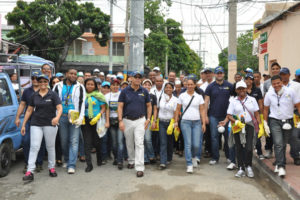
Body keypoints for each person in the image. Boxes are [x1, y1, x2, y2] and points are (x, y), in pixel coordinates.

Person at [21, 74, 62, 182]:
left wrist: (57, 117)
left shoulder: (53, 94)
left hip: (50, 124)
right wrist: (24, 124)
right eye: (40, 81)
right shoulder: (34, 96)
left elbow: (59, 107)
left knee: (50, 146)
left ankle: (51, 168)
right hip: (36, 123)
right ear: (38, 83)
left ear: (47, 82)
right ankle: (30, 171)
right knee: (34, 146)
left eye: (45, 81)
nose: (43, 83)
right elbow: (29, 110)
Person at [221, 81, 261, 178]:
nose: (241, 90)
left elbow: (256, 114)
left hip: (249, 125)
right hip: (237, 126)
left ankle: (248, 166)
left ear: (246, 89)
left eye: (243, 88)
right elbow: (229, 115)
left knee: (248, 147)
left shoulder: (252, 99)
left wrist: (260, 125)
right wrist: (236, 121)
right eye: (239, 89)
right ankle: (241, 168)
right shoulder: (233, 101)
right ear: (236, 90)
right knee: (238, 147)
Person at [263, 75, 300, 177]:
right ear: (272, 84)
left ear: (282, 82)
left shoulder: (290, 92)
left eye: (278, 83)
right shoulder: (269, 94)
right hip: (275, 121)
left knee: (283, 144)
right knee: (278, 143)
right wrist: (265, 123)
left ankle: (279, 162)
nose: (276, 85)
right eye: (274, 84)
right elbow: (265, 109)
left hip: (288, 121)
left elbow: (298, 105)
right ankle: (281, 166)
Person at [118, 71, 152, 178]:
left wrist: (148, 119)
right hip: (127, 120)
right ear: (131, 78)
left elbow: (149, 106)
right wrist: (120, 120)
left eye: (139, 77)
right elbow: (120, 106)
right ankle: (131, 160)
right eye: (135, 77)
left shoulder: (144, 91)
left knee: (139, 143)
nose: (137, 79)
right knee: (129, 142)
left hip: (140, 120)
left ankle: (140, 167)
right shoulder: (124, 91)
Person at [53, 68, 86, 174]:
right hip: (62, 116)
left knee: (74, 141)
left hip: (75, 116)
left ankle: (72, 164)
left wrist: (81, 117)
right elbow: (53, 101)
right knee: (64, 140)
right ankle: (67, 160)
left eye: (75, 74)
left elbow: (82, 103)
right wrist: (56, 116)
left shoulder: (80, 87)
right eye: (71, 73)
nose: (73, 75)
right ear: (66, 74)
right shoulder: (57, 86)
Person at [15, 71, 46, 173]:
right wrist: (17, 117)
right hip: (29, 120)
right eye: (33, 78)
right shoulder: (27, 91)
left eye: (36, 78)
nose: (34, 80)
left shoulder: (46, 91)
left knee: (40, 143)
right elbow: (22, 105)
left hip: (41, 120)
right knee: (26, 141)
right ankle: (28, 163)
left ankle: (39, 163)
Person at [174, 77, 206, 173]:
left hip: (197, 122)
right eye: (188, 84)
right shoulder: (182, 96)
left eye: (191, 84)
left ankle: (193, 157)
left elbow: (202, 110)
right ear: (185, 85)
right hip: (185, 122)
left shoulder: (199, 96)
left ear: (195, 85)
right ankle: (189, 164)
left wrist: (203, 123)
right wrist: (176, 121)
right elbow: (178, 109)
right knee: (188, 144)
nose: (190, 86)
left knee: (196, 144)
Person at [205, 66, 234, 165]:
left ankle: (229, 157)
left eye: (221, 73)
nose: (219, 75)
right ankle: (215, 158)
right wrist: (205, 116)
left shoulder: (229, 86)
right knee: (214, 137)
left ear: (223, 74)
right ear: (215, 74)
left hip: (226, 117)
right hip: (213, 116)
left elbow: (235, 99)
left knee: (227, 137)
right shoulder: (210, 86)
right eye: (218, 73)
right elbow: (206, 102)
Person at [81, 78, 106, 172]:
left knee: (96, 142)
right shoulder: (82, 95)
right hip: (85, 121)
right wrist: (81, 116)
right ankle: (89, 164)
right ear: (85, 85)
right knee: (87, 142)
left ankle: (99, 158)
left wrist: (98, 115)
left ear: (95, 86)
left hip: (96, 121)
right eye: (88, 84)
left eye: (92, 84)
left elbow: (103, 108)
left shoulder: (99, 95)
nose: (90, 86)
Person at [279, 67, 300, 165]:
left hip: (294, 114)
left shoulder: (296, 85)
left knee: (294, 136)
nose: (283, 76)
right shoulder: (277, 85)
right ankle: (281, 159)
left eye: (285, 74)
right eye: (282, 74)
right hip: (281, 114)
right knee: (281, 137)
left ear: (289, 74)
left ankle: (296, 156)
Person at [105, 79, 125, 169]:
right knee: (114, 143)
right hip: (112, 121)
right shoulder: (107, 96)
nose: (115, 86)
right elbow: (107, 110)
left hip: (120, 120)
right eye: (113, 85)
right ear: (111, 86)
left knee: (120, 141)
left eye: (117, 85)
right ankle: (116, 158)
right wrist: (107, 121)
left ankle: (120, 160)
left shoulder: (122, 95)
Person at [263, 62, 281, 159]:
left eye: (276, 68)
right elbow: (265, 98)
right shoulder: (266, 83)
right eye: (273, 68)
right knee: (268, 131)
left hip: (282, 111)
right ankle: (269, 149)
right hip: (270, 111)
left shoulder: (283, 81)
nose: (275, 70)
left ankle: (281, 153)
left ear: (279, 69)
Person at [158, 82, 178, 169]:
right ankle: (163, 162)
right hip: (161, 122)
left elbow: (176, 112)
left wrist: (175, 122)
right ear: (164, 89)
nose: (168, 89)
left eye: (170, 87)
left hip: (170, 123)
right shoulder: (160, 98)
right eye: (166, 87)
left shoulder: (175, 99)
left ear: (173, 89)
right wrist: (155, 120)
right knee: (163, 142)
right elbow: (157, 109)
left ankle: (169, 157)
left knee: (170, 141)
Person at [244, 73, 264, 160]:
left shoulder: (257, 90)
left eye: (250, 79)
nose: (248, 81)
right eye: (247, 79)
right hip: (244, 116)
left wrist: (261, 115)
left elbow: (260, 103)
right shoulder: (241, 89)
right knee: (244, 135)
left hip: (255, 116)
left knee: (257, 135)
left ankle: (259, 152)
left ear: (252, 80)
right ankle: (245, 153)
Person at [142, 79, 157, 165]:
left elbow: (155, 110)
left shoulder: (153, 96)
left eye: (148, 84)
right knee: (142, 140)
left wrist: (154, 120)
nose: (147, 86)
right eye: (145, 84)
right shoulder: (139, 94)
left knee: (148, 139)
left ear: (151, 86)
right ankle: (145, 158)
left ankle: (151, 155)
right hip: (140, 120)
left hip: (148, 120)